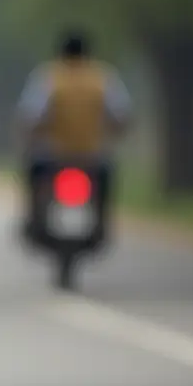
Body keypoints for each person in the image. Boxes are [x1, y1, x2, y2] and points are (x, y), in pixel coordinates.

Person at [15, 29, 133, 244]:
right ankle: (101, 223)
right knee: (106, 183)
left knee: (32, 175)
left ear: (60, 53)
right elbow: (121, 116)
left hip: (52, 156)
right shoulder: (103, 78)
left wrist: (30, 136)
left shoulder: (48, 76)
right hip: (92, 156)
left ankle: (33, 218)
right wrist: (114, 133)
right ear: (88, 54)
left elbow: (31, 115)